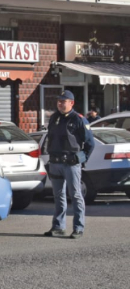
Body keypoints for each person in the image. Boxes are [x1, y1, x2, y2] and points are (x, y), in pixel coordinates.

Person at [44, 90, 96, 239]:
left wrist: (81, 158)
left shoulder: (79, 119)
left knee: (75, 195)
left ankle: (78, 228)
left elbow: (90, 144)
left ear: (71, 103)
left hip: (71, 163)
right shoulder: (54, 118)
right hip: (55, 162)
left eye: (63, 101)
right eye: (59, 101)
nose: (60, 103)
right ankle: (58, 227)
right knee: (58, 196)